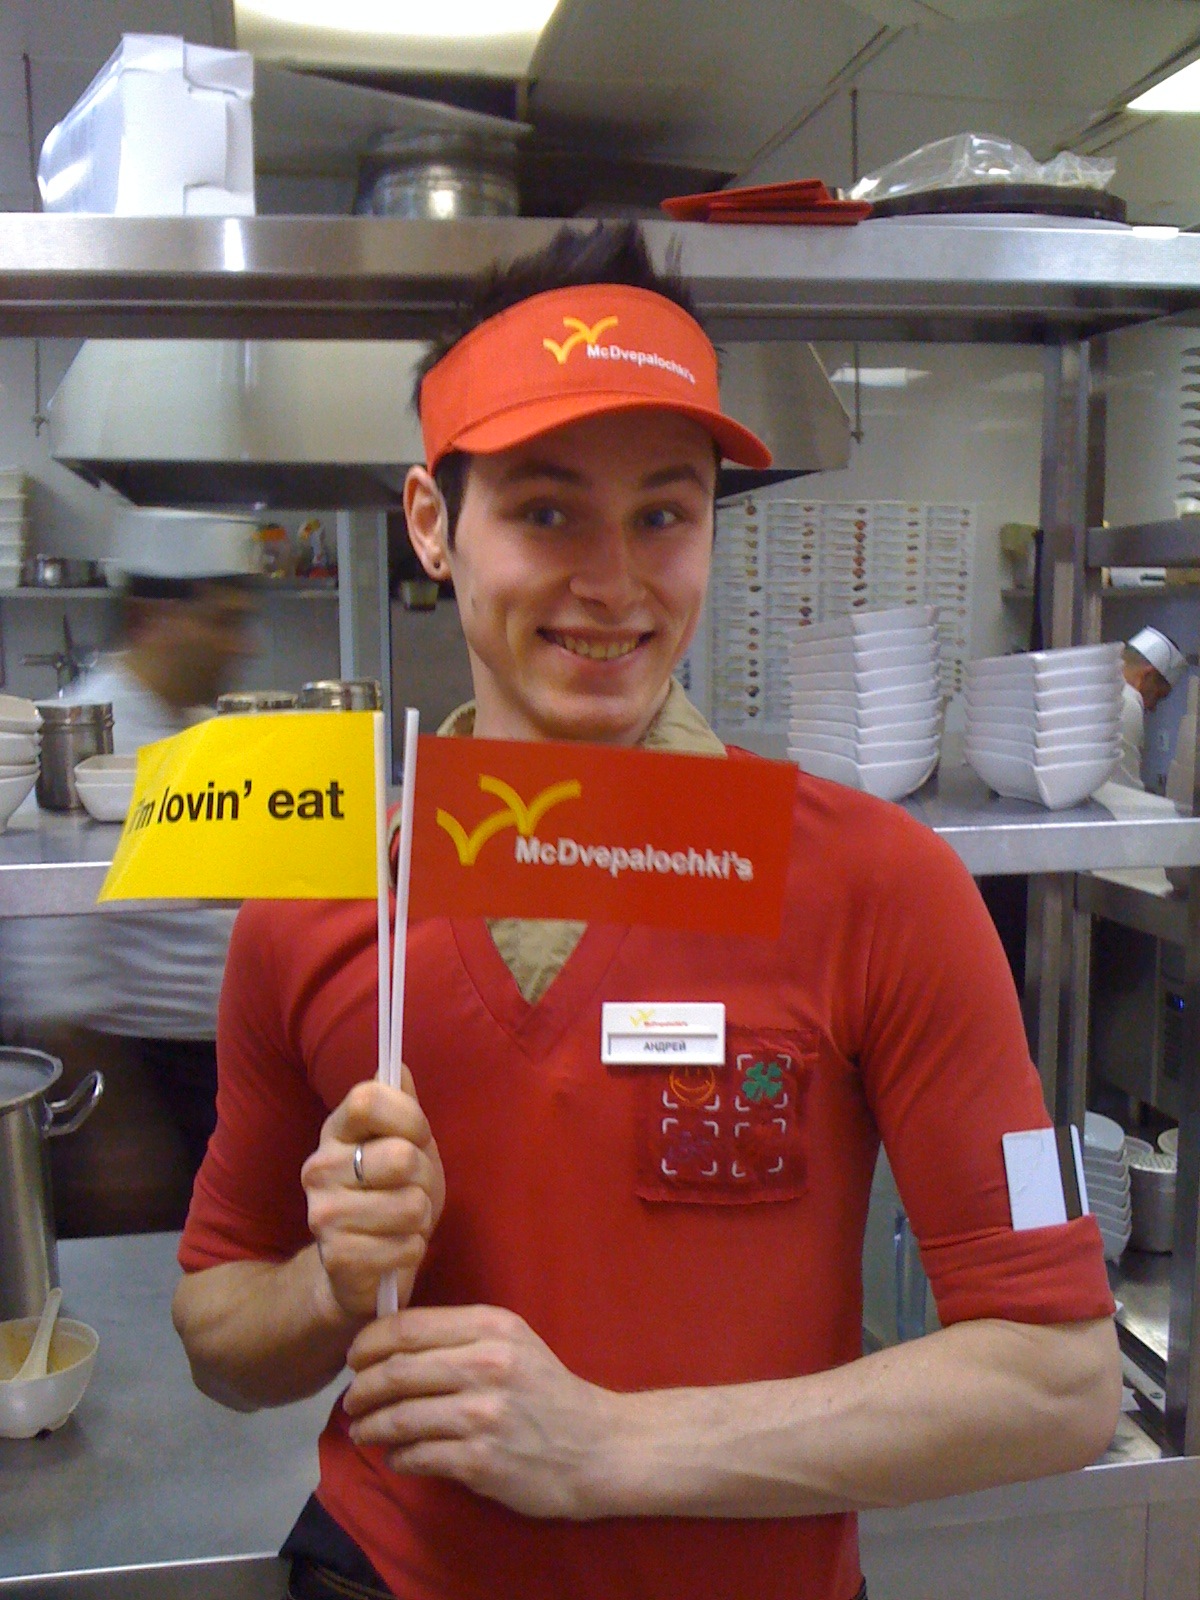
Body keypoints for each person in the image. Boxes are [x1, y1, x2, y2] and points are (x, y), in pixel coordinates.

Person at [173, 224, 1119, 1600]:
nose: (612, 581)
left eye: (664, 515)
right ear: (432, 524)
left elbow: (1059, 1377)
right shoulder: (321, 901)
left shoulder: (878, 887)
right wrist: (329, 1284)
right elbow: (216, 1330)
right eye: (547, 511)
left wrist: (606, 1447)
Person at [58, 511, 259, 1177]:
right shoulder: (88, 737)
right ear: (149, 618)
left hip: (225, 1067)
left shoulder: (204, 727)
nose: (241, 646)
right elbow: (53, 973)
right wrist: (118, 1127)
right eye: (222, 622)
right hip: (142, 1077)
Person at [1116, 625, 1187, 790]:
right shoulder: (1126, 703)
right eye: (1158, 696)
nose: (1153, 708)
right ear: (1147, 675)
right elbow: (1124, 791)